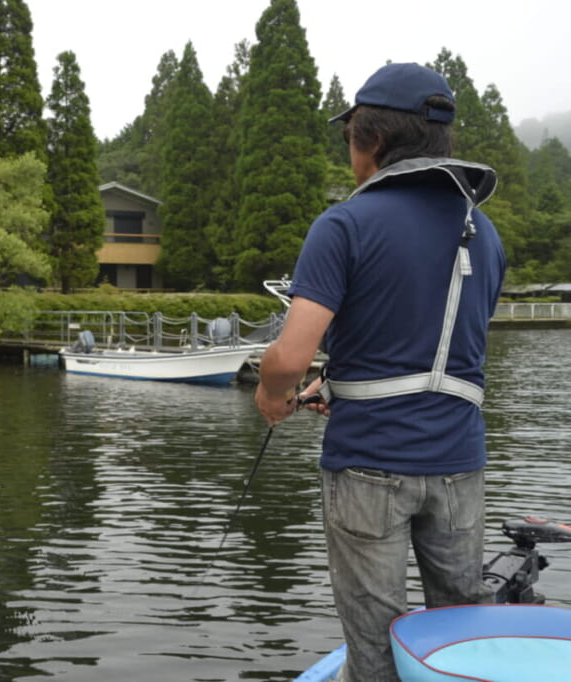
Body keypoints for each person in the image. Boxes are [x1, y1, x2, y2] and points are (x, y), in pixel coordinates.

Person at [255, 62, 506, 681]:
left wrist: (273, 393)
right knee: (458, 637)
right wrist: (338, 385)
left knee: (374, 647)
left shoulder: (344, 224)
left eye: (350, 139)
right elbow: (437, 349)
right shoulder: (487, 233)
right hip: (459, 466)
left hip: (367, 467)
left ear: (370, 141)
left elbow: (288, 356)